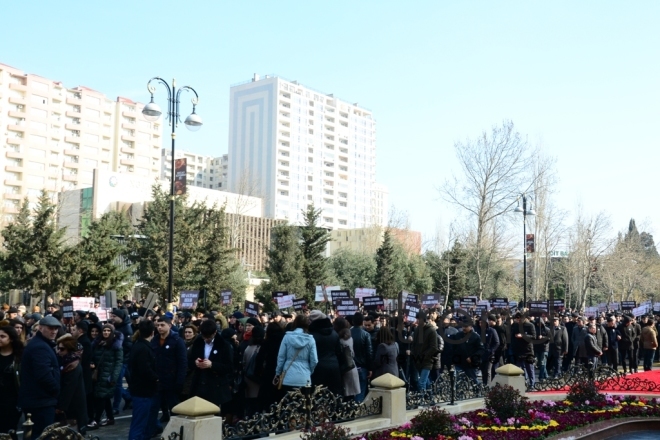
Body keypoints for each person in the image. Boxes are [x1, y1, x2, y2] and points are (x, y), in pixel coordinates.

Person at [18, 316, 62, 438]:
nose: (54, 331)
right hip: (40, 401)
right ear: (41, 328)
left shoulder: (41, 344)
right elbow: (43, 375)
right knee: (42, 435)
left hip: (39, 400)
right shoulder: (40, 347)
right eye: (50, 328)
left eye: (56, 329)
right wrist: (55, 390)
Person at [188, 319, 234, 411]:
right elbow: (189, 360)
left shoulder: (224, 345)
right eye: (204, 337)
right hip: (199, 383)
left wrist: (212, 365)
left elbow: (229, 367)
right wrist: (195, 363)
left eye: (209, 337)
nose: (206, 340)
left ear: (215, 332)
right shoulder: (198, 342)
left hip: (215, 386)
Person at [152, 316, 187, 424]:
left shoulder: (177, 341)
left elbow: (182, 362)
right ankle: (165, 415)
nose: (159, 328)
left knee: (173, 404)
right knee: (160, 402)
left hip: (172, 379)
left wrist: (180, 381)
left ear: (169, 326)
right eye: (158, 325)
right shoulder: (155, 340)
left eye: (162, 325)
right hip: (158, 378)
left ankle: (175, 423)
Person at [87, 323, 123, 430]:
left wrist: (114, 377)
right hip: (98, 374)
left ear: (112, 332)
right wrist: (92, 363)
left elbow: (118, 362)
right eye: (104, 331)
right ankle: (110, 418)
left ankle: (96, 420)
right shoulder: (98, 343)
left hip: (108, 375)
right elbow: (92, 356)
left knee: (101, 398)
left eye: (108, 331)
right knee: (105, 397)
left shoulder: (116, 345)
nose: (106, 333)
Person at [128, 320, 159, 440]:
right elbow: (145, 369)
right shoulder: (143, 348)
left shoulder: (138, 346)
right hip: (143, 391)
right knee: (139, 424)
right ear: (152, 332)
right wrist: (156, 378)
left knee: (142, 423)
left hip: (141, 390)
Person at [275, 314, 318, 391]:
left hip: (288, 376)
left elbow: (281, 357)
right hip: (305, 378)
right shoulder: (311, 339)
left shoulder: (287, 337)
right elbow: (314, 360)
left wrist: (278, 372)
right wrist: (309, 371)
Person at [55, 334, 88, 433]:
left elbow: (69, 388)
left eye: (62, 349)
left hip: (73, 406)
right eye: (58, 348)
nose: (59, 351)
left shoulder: (72, 364)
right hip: (72, 405)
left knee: (72, 431)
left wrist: (61, 407)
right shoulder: (67, 362)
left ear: (69, 350)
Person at [308, 310, 343, 395]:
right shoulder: (334, 333)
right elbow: (339, 352)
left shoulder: (311, 335)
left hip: (318, 369)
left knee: (318, 396)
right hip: (334, 367)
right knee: (334, 396)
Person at [256, 322, 286, 411]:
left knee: (267, 397)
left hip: (269, 371)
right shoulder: (284, 340)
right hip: (283, 372)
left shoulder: (267, 342)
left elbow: (259, 358)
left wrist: (258, 373)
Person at [110, 308, 133, 414]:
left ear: (120, 317)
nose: (112, 318)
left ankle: (116, 407)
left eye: (114, 316)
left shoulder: (126, 329)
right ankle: (128, 397)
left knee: (117, 383)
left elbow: (128, 346)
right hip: (116, 360)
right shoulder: (116, 327)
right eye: (111, 316)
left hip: (123, 360)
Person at [0, 325, 23, 433]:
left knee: (9, 431)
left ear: (11, 339)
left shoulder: (19, 357)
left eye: (2, 336)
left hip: (12, 401)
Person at [333, 318, 360, 399]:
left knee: (346, 396)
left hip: (344, 368)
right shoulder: (349, 337)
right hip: (351, 366)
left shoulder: (338, 339)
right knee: (351, 396)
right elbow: (352, 354)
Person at [350, 313, 373, 402]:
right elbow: (369, 352)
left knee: (351, 390)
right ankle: (358, 409)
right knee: (361, 390)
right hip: (362, 367)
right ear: (362, 322)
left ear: (353, 322)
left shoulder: (347, 333)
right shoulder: (366, 335)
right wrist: (370, 368)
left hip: (350, 366)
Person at [242, 325, 265, 417]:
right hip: (258, 381)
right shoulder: (261, 348)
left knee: (250, 408)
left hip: (248, 380)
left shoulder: (248, 348)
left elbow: (244, 363)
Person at [511, 312, 536, 386]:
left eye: (519, 319)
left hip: (528, 350)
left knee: (529, 369)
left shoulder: (530, 325)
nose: (518, 321)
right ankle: (522, 383)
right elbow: (512, 337)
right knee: (519, 369)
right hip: (518, 350)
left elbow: (533, 336)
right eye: (517, 319)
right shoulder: (515, 325)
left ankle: (532, 384)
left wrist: (523, 335)